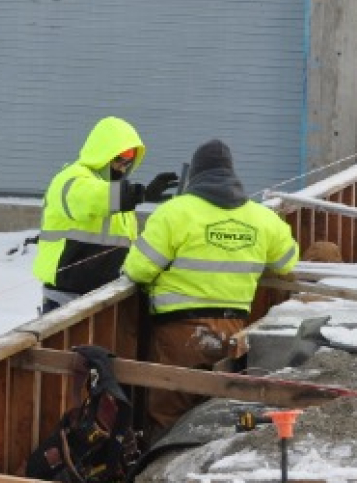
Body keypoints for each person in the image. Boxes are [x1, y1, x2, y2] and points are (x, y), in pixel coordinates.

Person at [122, 138, 299, 436]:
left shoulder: (174, 212)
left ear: (196, 176)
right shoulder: (261, 217)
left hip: (179, 334)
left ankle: (159, 477)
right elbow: (288, 262)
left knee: (169, 416)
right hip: (232, 332)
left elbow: (138, 269)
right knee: (216, 415)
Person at [32, 116, 179, 314]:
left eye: (131, 159)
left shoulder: (120, 200)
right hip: (67, 298)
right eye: (121, 157)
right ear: (103, 152)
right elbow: (92, 198)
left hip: (106, 299)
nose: (125, 165)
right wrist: (141, 194)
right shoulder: (72, 179)